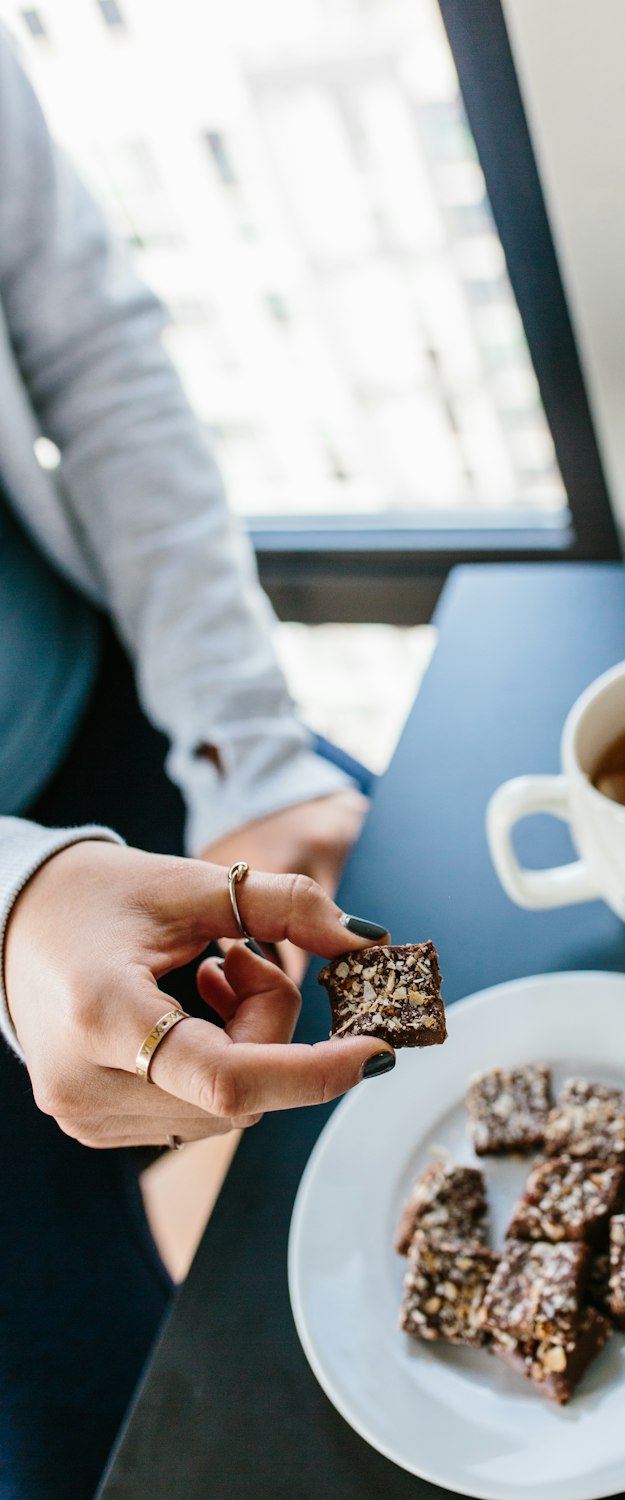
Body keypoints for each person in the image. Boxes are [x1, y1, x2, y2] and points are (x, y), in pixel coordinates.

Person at [0, 29, 395, 1500]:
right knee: (108, 1437)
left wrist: (244, 755)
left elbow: (88, 350)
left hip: (107, 700)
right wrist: (12, 891)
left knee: (420, 959)